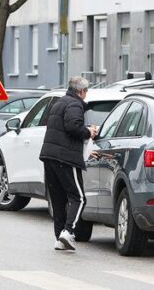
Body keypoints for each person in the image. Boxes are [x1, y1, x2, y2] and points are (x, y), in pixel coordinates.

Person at [39, 76, 98, 251]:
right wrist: (89, 131)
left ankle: (59, 239)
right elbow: (73, 126)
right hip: (65, 158)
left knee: (58, 200)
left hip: (49, 157)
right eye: (86, 91)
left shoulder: (59, 102)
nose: (86, 94)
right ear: (81, 91)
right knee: (78, 198)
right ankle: (68, 231)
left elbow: (60, 131)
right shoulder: (75, 104)